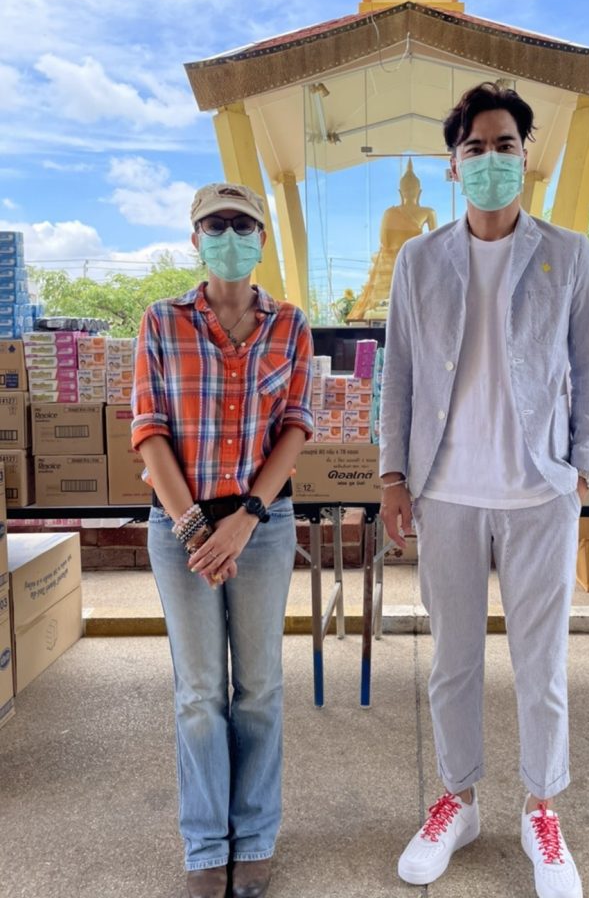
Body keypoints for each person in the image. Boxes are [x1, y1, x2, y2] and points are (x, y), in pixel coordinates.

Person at [379, 83, 589, 898]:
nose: (489, 159)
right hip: (446, 491)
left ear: (525, 156)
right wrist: (393, 475)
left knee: (541, 666)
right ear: (452, 166)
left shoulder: (568, 254)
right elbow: (398, 374)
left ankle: (541, 810)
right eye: (473, 148)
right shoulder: (418, 260)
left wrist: (582, 466)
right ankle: (459, 799)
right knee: (453, 662)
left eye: (503, 145)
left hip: (539, 492)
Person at [131, 182, 313, 898]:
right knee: (199, 690)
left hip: (260, 526)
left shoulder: (290, 325)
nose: (229, 236)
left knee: (259, 687)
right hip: (181, 525)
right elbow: (149, 429)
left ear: (262, 239)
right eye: (216, 224)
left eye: (242, 225)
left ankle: (255, 835)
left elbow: (295, 426)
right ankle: (207, 844)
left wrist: (244, 519)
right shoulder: (161, 321)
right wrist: (195, 530)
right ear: (195, 237)